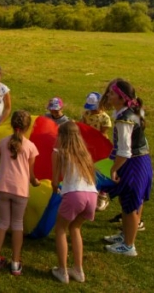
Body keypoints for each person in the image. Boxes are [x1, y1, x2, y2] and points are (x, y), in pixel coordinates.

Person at [102, 79, 152, 256]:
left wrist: (114, 168)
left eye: (112, 93)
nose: (108, 95)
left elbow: (124, 151)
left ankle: (129, 245)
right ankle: (126, 234)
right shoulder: (133, 112)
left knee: (130, 203)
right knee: (132, 200)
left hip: (132, 163)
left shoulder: (125, 119)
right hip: (141, 160)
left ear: (122, 99)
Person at [0, 110, 39, 275]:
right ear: (27, 127)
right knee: (17, 224)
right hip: (20, 190)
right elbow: (31, 174)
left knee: (2, 223)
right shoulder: (30, 147)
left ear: (12, 125)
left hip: (2, 187)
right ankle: (15, 263)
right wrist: (36, 182)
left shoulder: (3, 143)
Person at [50, 121, 98, 284]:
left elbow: (55, 181)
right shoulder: (86, 154)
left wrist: (54, 191)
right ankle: (78, 270)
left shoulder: (59, 152)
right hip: (91, 196)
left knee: (61, 230)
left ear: (62, 136)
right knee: (75, 228)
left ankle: (62, 271)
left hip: (74, 195)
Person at [81, 92, 113, 211]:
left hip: (100, 146)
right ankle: (89, 192)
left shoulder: (105, 118)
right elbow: (82, 126)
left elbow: (103, 134)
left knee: (101, 168)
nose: (92, 111)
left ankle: (103, 195)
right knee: (88, 167)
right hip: (87, 145)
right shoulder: (86, 114)